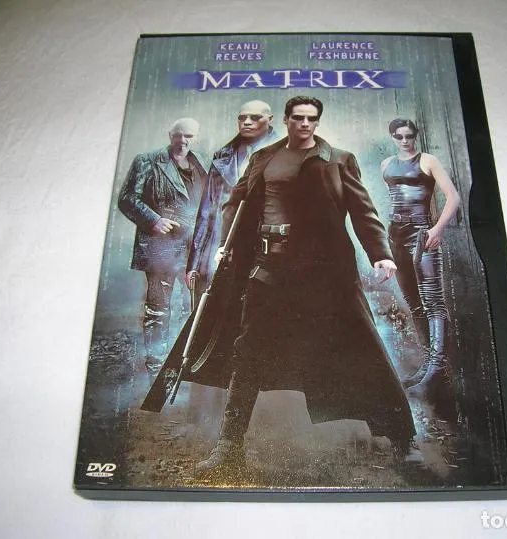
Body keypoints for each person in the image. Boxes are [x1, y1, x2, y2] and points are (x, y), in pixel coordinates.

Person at [193, 96, 421, 477]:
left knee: (363, 348)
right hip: (268, 267)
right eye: (297, 118)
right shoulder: (264, 158)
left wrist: (380, 254)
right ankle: (229, 446)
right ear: (285, 120)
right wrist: (228, 244)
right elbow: (237, 202)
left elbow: (363, 210)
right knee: (248, 353)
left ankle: (403, 439)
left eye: (311, 119)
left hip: (324, 272)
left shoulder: (338, 160)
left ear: (317, 122)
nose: (304, 124)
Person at [118, 118, 207, 372]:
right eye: (178, 135)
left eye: (189, 136)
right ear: (170, 135)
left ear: (196, 137)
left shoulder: (202, 163)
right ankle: (156, 365)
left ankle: (185, 363)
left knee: (193, 306)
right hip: (161, 249)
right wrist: (153, 220)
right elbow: (127, 198)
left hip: (194, 249)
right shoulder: (147, 161)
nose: (183, 140)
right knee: (158, 309)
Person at [380, 119, 460, 391]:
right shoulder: (386, 165)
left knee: (433, 301)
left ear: (415, 135)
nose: (405, 141)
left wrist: (437, 229)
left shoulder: (428, 160)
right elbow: (394, 198)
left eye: (409, 136)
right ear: (392, 137)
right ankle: (427, 366)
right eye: (399, 136)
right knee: (413, 302)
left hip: (421, 234)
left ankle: (437, 368)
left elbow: (453, 197)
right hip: (395, 235)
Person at [185, 100, 280, 295]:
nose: (247, 122)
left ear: (270, 119)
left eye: (255, 117)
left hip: (265, 247)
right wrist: (194, 264)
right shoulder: (223, 156)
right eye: (242, 118)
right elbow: (206, 212)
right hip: (222, 247)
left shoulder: (288, 152)